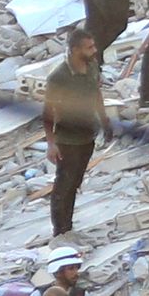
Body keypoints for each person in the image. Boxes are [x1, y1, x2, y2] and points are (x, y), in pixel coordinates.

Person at [42, 35, 104, 237]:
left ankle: (68, 227)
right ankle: (60, 231)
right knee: (64, 186)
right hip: (68, 141)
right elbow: (48, 111)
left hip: (88, 135)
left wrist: (105, 120)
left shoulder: (93, 65)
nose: (94, 50)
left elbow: (97, 92)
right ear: (75, 50)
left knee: (75, 183)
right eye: (89, 47)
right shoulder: (59, 77)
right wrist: (51, 143)